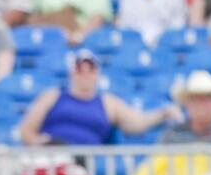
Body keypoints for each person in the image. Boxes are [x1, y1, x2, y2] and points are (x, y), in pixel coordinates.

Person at [19, 48, 181, 145]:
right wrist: (39, 143)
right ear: (71, 72)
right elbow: (26, 129)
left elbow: (136, 123)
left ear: (97, 73)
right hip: (52, 160)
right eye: (79, 68)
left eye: (90, 68)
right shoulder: (52, 96)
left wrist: (163, 113)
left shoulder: (108, 103)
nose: (85, 73)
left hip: (87, 167)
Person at [160, 70, 211, 144]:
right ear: (187, 104)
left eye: (206, 99)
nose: (200, 106)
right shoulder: (173, 137)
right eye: (195, 100)